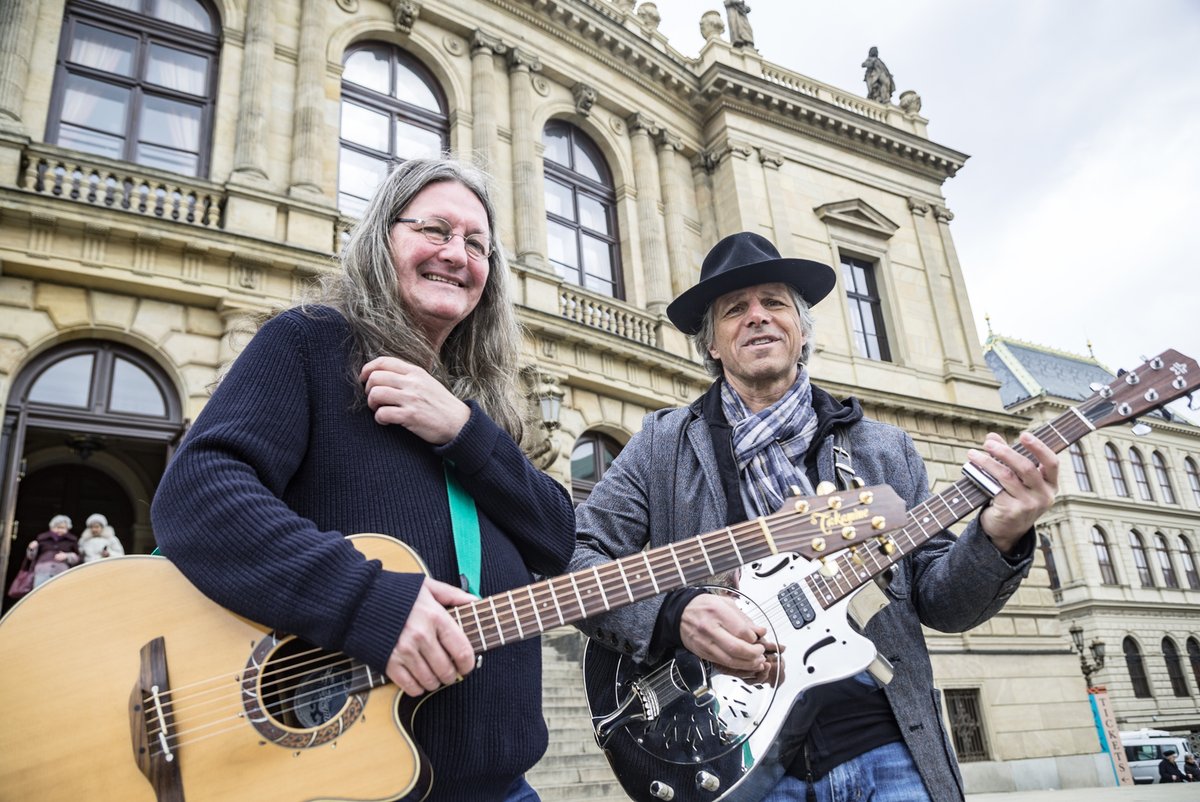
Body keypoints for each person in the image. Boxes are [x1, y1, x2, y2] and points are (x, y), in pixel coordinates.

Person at [568, 232, 1058, 802]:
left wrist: (998, 535)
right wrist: (672, 615)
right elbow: (579, 559)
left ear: (801, 332)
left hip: (885, 748)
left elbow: (942, 604)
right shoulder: (661, 445)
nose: (757, 317)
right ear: (712, 345)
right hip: (736, 759)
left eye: (774, 303)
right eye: (735, 309)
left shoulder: (883, 449)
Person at [151, 158, 576, 802]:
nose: (456, 254)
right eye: (434, 229)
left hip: (502, 785)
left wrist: (463, 429)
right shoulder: (311, 342)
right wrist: (369, 602)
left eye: (477, 243)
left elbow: (557, 535)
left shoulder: (479, 409)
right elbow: (200, 491)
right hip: (347, 781)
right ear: (382, 239)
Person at [25, 514, 81, 589]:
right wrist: (31, 548)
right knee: (40, 593)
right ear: (52, 527)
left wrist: (67, 556)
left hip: (62, 573)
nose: (60, 530)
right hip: (42, 572)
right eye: (57, 527)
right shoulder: (42, 539)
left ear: (68, 528)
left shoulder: (71, 540)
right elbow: (31, 557)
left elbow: (78, 558)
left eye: (63, 528)